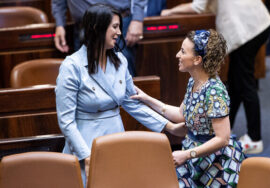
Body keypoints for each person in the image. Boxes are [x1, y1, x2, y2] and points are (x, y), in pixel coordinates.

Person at [55, 4, 185, 187]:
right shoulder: (72, 66)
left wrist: (169, 126)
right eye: (114, 27)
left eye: (119, 27)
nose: (119, 32)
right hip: (86, 144)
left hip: (115, 138)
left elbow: (132, 103)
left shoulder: (120, 61)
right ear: (96, 27)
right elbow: (66, 121)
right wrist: (86, 156)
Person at [131, 29, 246, 187]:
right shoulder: (194, 81)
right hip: (194, 155)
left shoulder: (214, 91)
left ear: (197, 59)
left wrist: (187, 154)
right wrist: (147, 99)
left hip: (215, 162)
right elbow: (180, 114)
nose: (178, 55)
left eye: (183, 51)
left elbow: (223, 139)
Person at [160, 0, 270, 154]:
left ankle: (254, 138)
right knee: (236, 81)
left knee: (244, 82)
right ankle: (223, 128)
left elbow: (197, 7)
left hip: (248, 28)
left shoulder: (212, 88)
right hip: (255, 22)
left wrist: (170, 12)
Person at [51, 0, 146, 76]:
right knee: (85, 78)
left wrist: (137, 18)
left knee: (122, 74)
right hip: (83, 27)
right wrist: (59, 24)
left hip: (117, 22)